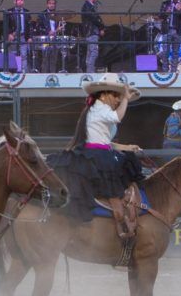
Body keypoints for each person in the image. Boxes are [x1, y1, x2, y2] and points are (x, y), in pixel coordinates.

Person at [49, 74, 143, 265]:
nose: (117, 99)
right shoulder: (100, 109)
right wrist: (125, 98)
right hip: (98, 156)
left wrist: (126, 147)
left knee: (128, 160)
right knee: (124, 173)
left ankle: (117, 216)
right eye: (115, 96)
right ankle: (119, 219)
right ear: (105, 95)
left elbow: (105, 140)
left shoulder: (97, 109)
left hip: (100, 152)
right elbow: (118, 117)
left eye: (119, 96)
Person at [81, 0, 105, 74]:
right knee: (94, 52)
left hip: (90, 32)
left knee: (90, 52)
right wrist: (101, 26)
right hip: (91, 32)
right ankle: (90, 72)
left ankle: (89, 71)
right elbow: (94, 18)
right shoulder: (87, 6)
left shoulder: (89, 6)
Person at [5, 0, 32, 69]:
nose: (20, 2)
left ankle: (23, 73)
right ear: (14, 1)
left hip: (23, 36)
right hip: (13, 36)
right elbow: (6, 25)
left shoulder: (27, 12)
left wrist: (29, 37)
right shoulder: (9, 12)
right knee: (13, 55)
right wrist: (9, 34)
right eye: (18, 0)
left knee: (23, 55)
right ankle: (14, 72)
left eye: (21, 0)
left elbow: (29, 26)